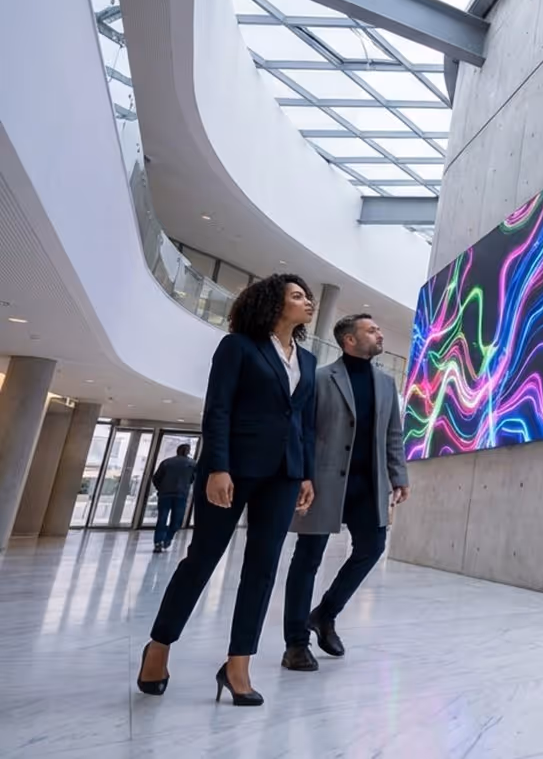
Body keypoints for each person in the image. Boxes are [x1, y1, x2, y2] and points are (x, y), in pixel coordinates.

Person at [136, 275, 317, 707]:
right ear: (274, 304)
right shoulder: (238, 347)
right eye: (297, 296)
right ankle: (158, 646)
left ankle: (238, 664)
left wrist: (305, 473)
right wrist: (218, 466)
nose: (307, 301)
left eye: (307, 296)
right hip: (234, 468)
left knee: (262, 568)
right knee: (201, 560)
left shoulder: (306, 361)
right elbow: (218, 408)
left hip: (284, 474)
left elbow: (304, 423)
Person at [282, 313, 410, 671]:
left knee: (372, 547)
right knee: (308, 558)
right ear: (349, 340)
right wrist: (304, 476)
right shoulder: (321, 378)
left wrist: (399, 475)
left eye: (378, 327)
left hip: (369, 485)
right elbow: (303, 430)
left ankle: (325, 613)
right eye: (372, 330)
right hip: (323, 485)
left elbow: (392, 435)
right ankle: (295, 644)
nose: (379, 333)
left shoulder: (386, 384)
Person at [149, 443, 197, 553]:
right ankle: (168, 539)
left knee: (162, 518)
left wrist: (160, 488)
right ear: (188, 451)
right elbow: (193, 479)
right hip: (181, 495)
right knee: (177, 520)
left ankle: (158, 542)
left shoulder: (166, 462)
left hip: (165, 494)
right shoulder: (192, 464)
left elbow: (156, 478)